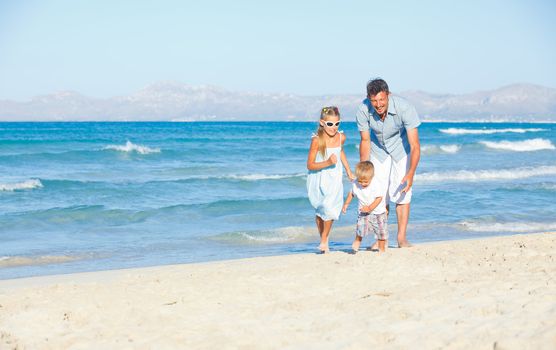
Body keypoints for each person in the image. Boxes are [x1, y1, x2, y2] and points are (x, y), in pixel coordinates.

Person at [356, 78, 421, 248]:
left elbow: (415, 145)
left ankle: (401, 239)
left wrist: (411, 173)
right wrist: (364, 168)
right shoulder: (363, 109)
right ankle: (381, 239)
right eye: (374, 101)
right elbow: (365, 141)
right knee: (379, 192)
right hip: (378, 150)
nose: (378, 105)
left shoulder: (404, 107)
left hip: (402, 149)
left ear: (388, 95)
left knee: (401, 192)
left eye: (381, 100)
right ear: (369, 98)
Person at [307, 106, 355, 253]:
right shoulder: (317, 140)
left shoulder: (341, 137)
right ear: (322, 122)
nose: (333, 127)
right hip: (318, 178)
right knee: (320, 211)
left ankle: (323, 240)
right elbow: (310, 164)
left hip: (334, 177)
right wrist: (327, 162)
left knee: (331, 208)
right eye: (330, 124)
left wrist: (348, 170)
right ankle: (324, 239)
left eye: (337, 123)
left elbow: (341, 153)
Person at [342, 161, 388, 252]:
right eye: (360, 181)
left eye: (365, 182)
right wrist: (346, 204)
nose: (362, 184)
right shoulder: (355, 183)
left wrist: (370, 208)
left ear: (371, 177)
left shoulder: (376, 184)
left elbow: (379, 198)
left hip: (378, 212)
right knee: (360, 228)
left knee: (381, 232)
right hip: (363, 212)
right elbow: (351, 193)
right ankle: (357, 240)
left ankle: (382, 248)